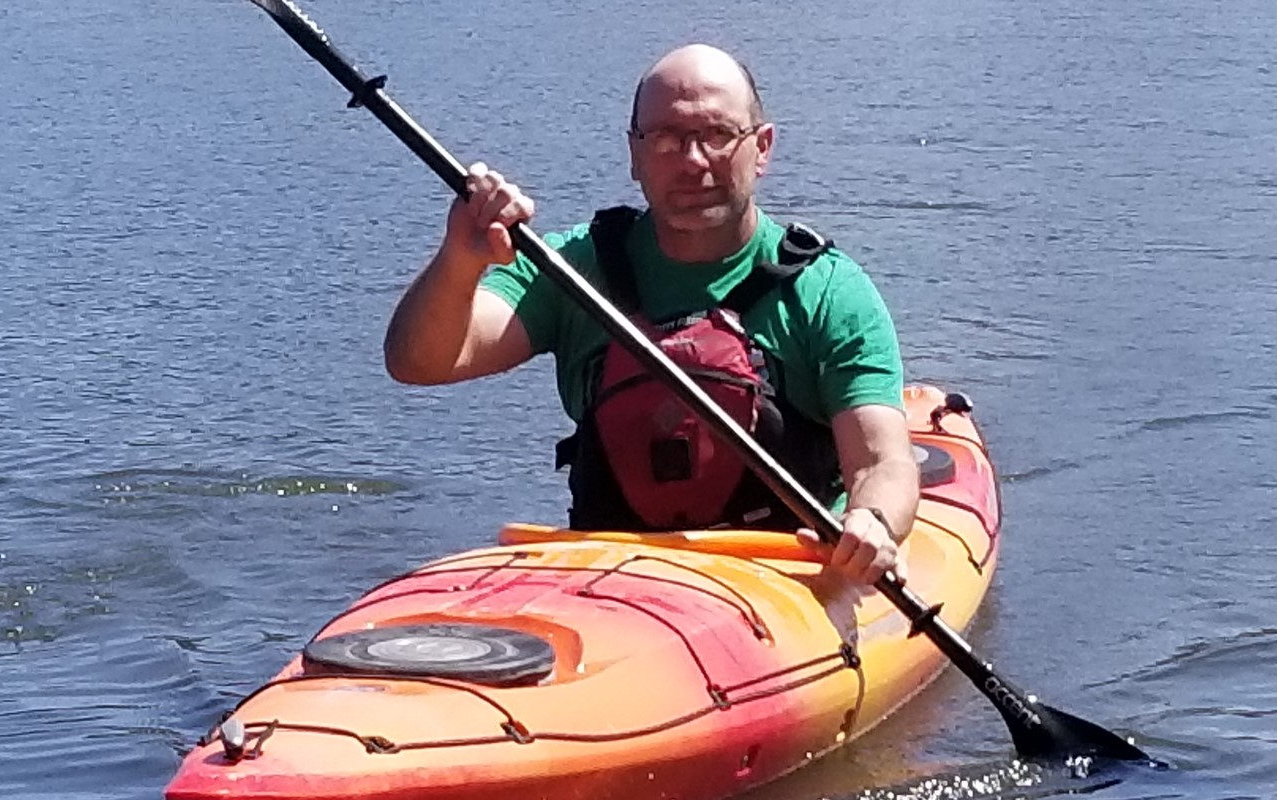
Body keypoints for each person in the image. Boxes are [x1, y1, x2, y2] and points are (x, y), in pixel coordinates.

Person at [382, 44, 917, 589]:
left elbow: (881, 462)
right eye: (664, 137)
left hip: (781, 572)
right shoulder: (573, 267)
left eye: (716, 134)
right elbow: (421, 361)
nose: (691, 160)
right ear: (634, 155)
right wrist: (459, 259)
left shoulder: (828, 290)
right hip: (614, 576)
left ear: (762, 148)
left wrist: (871, 521)